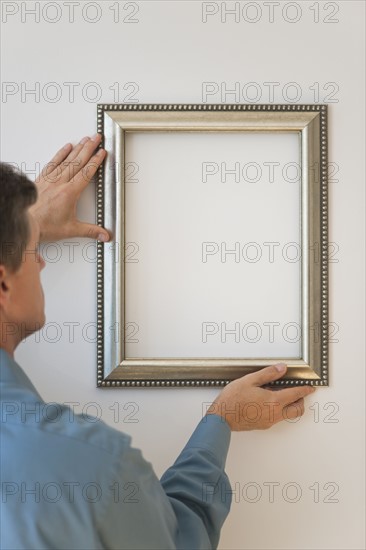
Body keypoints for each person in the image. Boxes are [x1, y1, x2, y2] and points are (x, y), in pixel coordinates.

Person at [0, 134, 316, 550]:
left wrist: (25, 225)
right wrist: (221, 421)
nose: (40, 259)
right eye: (29, 250)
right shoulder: (88, 466)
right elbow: (181, 540)